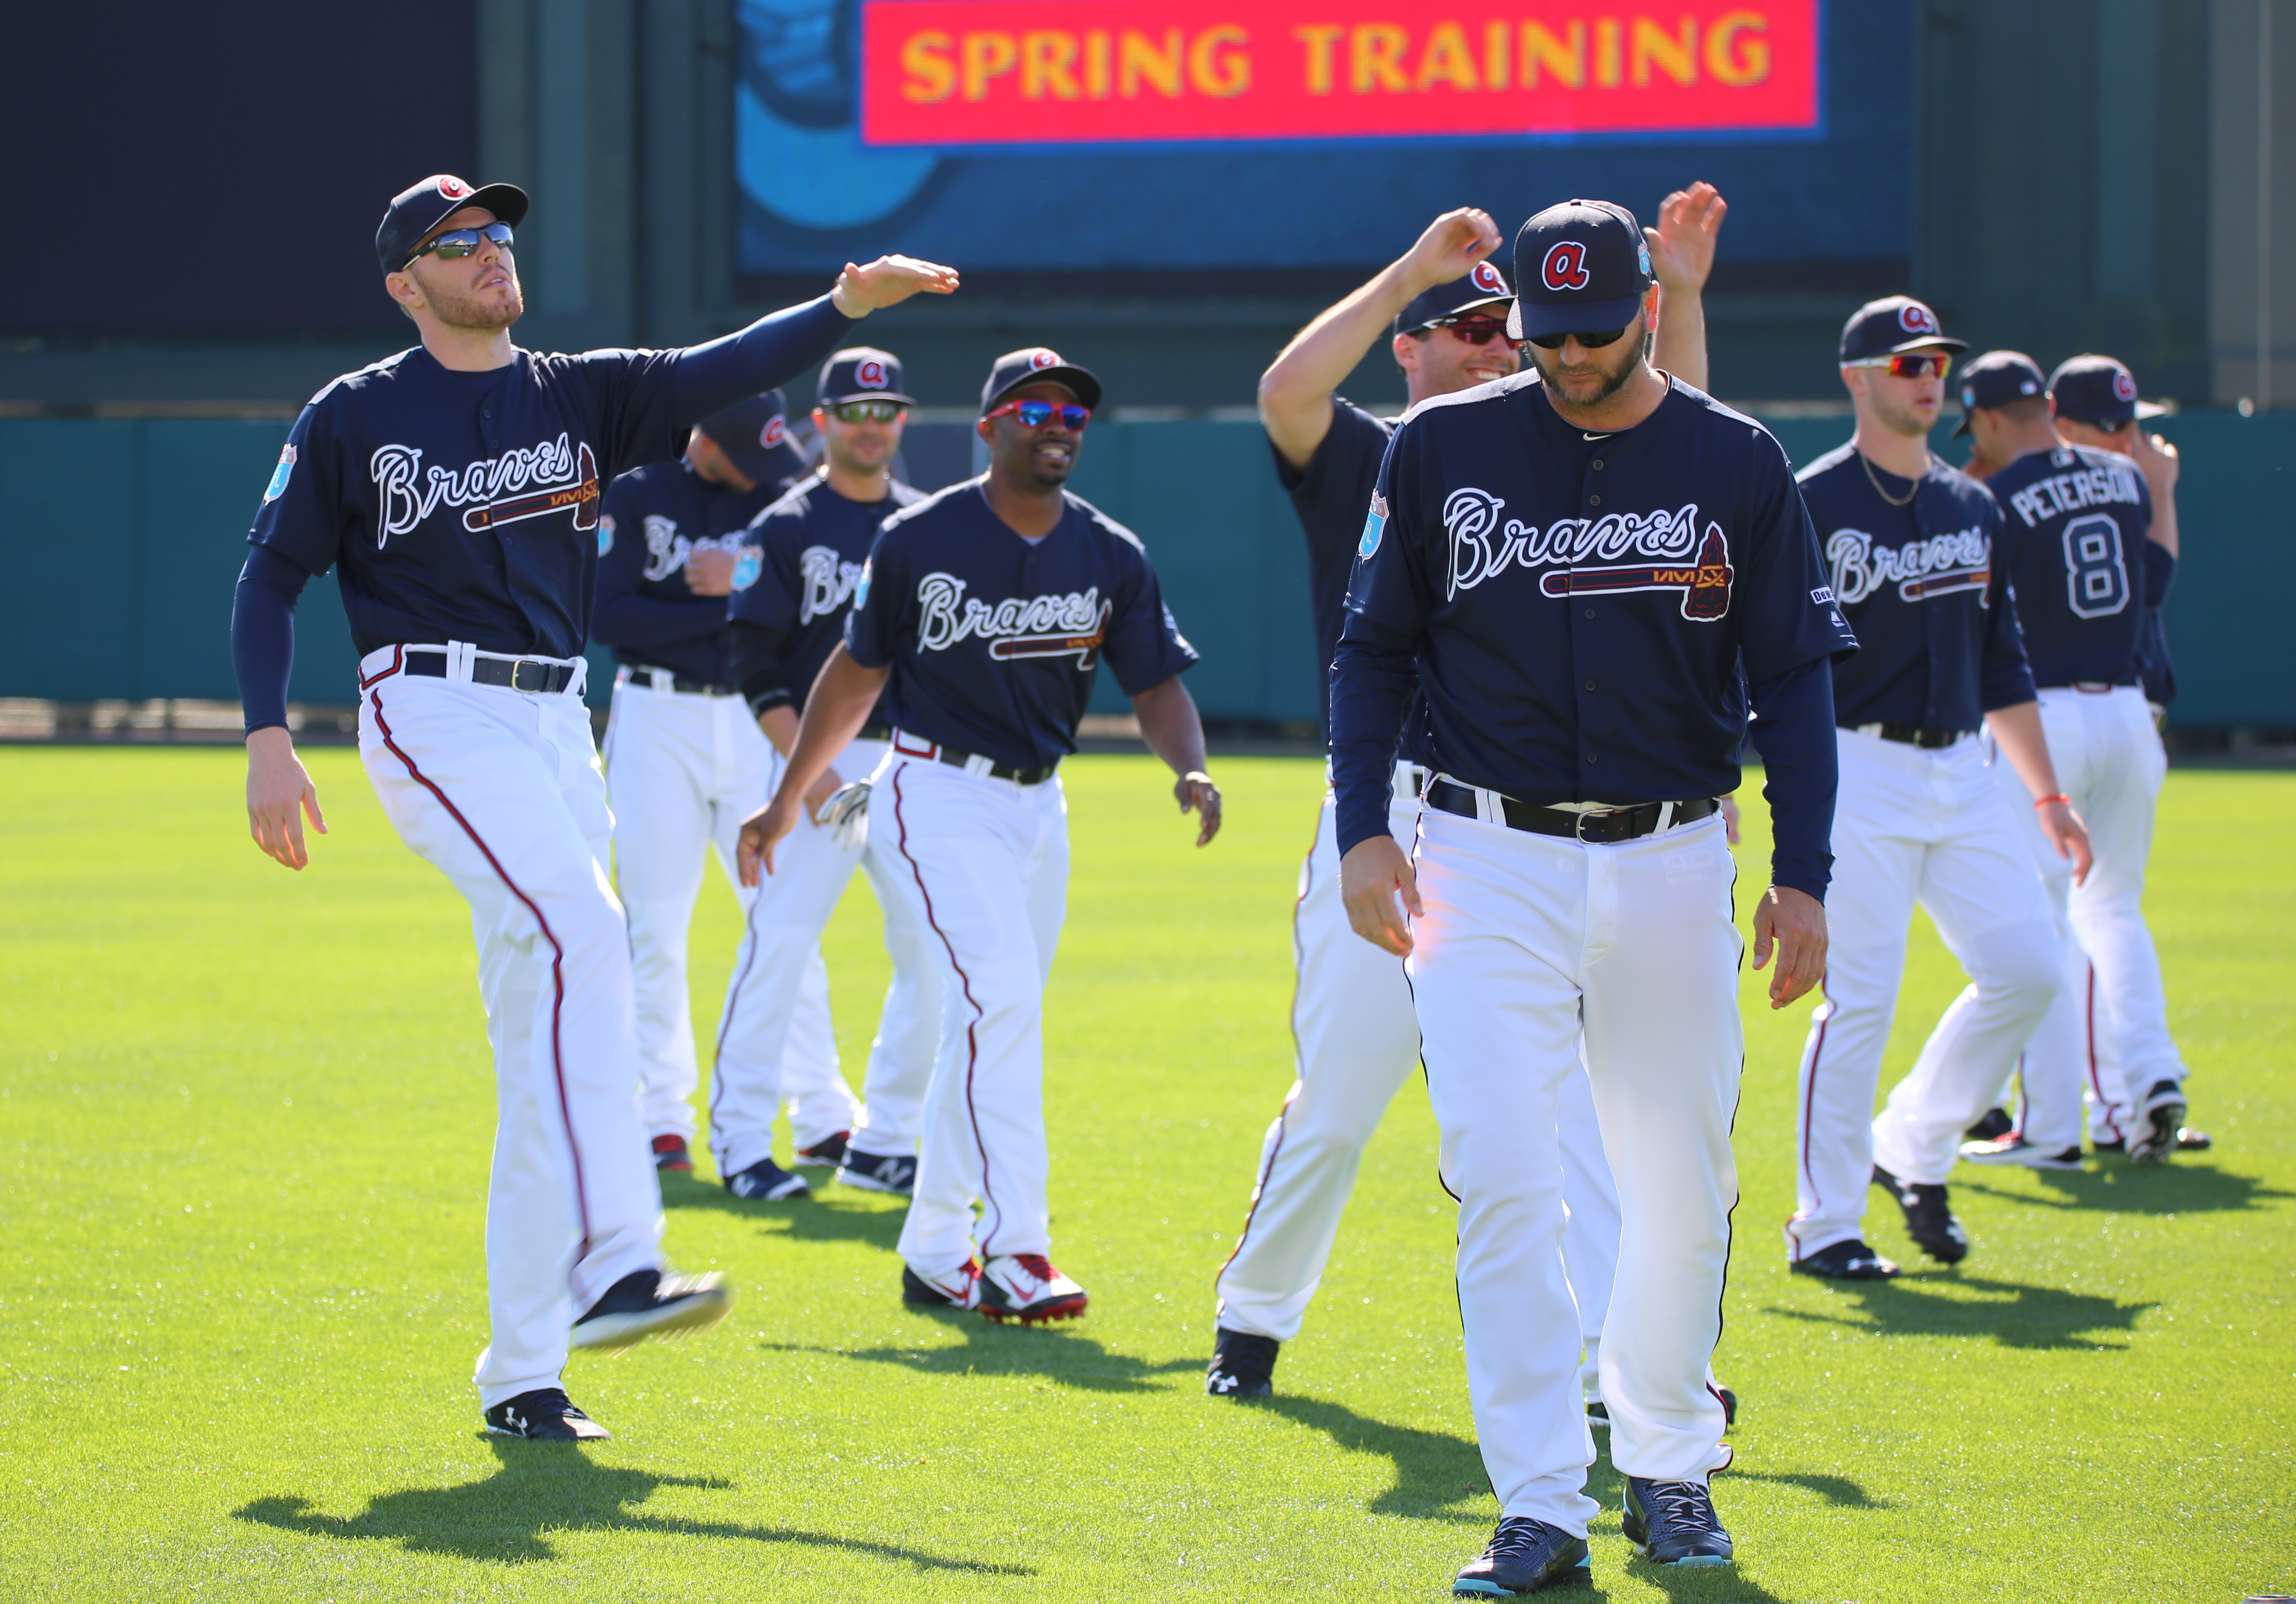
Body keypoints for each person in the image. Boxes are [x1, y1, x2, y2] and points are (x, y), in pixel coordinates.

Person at [233, 171, 957, 1440]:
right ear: (406, 284)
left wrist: (843, 302)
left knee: (540, 1043)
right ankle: (616, 1257)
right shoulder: (358, 414)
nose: (488, 253)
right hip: (434, 706)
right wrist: (265, 734)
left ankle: (522, 1373)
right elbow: (272, 572)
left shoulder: (575, 392)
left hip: (560, 720)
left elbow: (718, 365)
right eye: (455, 243)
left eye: (498, 233)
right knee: (587, 936)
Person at [1334, 198, 1853, 1590]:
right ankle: (1540, 1503)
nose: (1565, 357)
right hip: (1482, 852)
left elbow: (1798, 679)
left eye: (1594, 330)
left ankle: (1670, 1468)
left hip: (1674, 853)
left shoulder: (1734, 458)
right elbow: (1371, 651)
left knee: (1681, 1178)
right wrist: (1358, 836)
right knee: (1503, 1175)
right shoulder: (1443, 445)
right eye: (1542, 332)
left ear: (1644, 307)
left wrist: (1802, 872)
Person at [1207, 185, 1731, 1410]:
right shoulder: (1369, 456)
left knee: (1586, 1119)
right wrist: (1402, 274)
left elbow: (1688, 439)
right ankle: (1254, 1315)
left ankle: (1621, 1372)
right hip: (1387, 806)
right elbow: (1286, 394)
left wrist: (1687, 296)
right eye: (1467, 329)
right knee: (1339, 1100)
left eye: (1507, 326)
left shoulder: (1554, 452)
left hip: (1534, 818)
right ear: (1410, 347)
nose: (1498, 344)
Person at [736, 348, 1218, 1324]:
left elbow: (1155, 683)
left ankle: (930, 1250)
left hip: (1040, 805)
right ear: (988, 425)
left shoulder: (1108, 550)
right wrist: (790, 794)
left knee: (987, 1020)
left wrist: (1189, 765)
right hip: (935, 791)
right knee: (1000, 1005)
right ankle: (1017, 1247)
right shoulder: (921, 538)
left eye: (1074, 414)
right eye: (1035, 407)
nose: (1058, 424)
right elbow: (854, 672)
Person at [1787, 300, 2091, 1283]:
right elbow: (1771, 661)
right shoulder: (1808, 501)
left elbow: (2002, 664)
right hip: (1854, 764)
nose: (1927, 376)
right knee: (1860, 1001)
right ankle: (1826, 1224)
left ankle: (1908, 1144)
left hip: (1963, 769)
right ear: (1857, 377)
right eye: (1905, 360)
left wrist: (2046, 796)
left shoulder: (1972, 505)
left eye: (1935, 362)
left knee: (2030, 968)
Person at [593, 390, 861, 1180]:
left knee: (785, 921)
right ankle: (660, 1121)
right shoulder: (639, 491)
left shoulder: (780, 500)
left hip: (756, 722)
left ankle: (821, 1115)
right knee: (655, 927)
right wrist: (725, 600)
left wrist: (733, 597)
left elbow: (803, 628)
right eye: (747, 454)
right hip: (656, 720)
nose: (760, 473)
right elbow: (611, 619)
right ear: (704, 437)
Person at [1953, 353, 2194, 1163]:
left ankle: (2051, 1124)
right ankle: (2139, 1088)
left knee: (2042, 923)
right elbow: (2154, 580)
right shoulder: (2121, 479)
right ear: (2047, 405)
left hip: (2041, 719)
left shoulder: (1987, 498)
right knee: (2113, 912)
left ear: (1986, 417)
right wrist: (2160, 488)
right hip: (2128, 712)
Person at [714, 347, 943, 1200]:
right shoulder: (781, 526)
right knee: (779, 944)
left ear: (903, 420)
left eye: (886, 412)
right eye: (855, 411)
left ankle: (884, 1136)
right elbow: (753, 664)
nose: (872, 426)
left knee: (931, 948)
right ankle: (740, 1143)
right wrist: (805, 779)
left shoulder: (926, 525)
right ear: (824, 422)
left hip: (908, 761)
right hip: (810, 755)